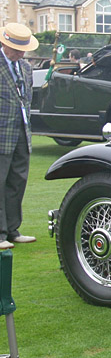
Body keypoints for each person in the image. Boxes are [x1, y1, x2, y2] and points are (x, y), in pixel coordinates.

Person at [0, 23, 38, 249]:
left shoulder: (25, 67)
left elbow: (26, 100)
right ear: (4, 44)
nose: (20, 53)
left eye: (23, 49)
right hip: (2, 133)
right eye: (16, 48)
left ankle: (12, 230)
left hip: (22, 132)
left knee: (17, 181)